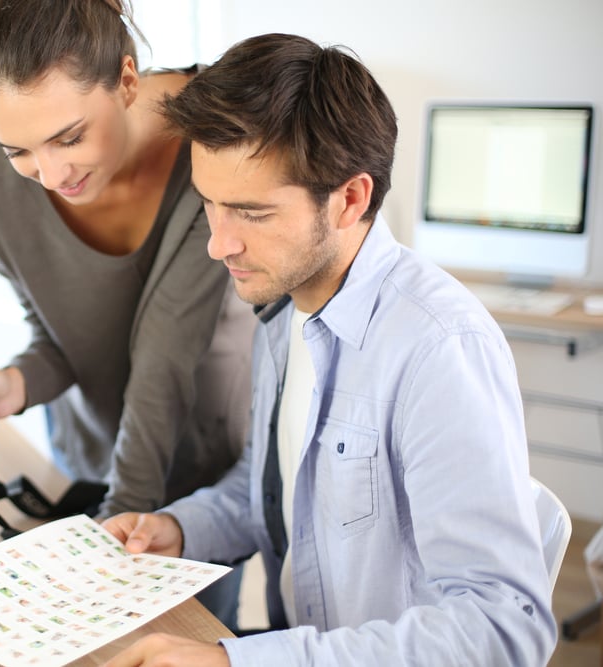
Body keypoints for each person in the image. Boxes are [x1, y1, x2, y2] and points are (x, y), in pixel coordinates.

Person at [102, 32, 557, 666]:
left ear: (350, 199)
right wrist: (178, 528)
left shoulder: (439, 349)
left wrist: (241, 662)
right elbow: (275, 487)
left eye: (250, 213)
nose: (217, 244)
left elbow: (504, 630)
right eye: (209, 204)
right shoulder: (284, 307)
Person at [0, 0, 255, 628]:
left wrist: (121, 522)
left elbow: (167, 355)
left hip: (200, 473)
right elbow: (59, 334)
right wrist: (14, 385)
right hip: (92, 456)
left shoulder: (217, 142)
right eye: (16, 149)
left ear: (128, 81)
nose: (50, 175)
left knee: (190, 637)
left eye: (68, 137)